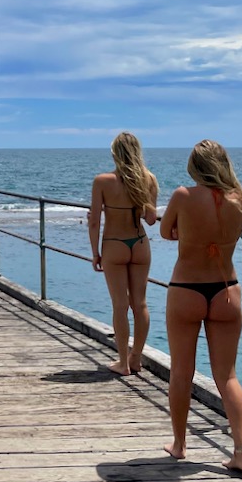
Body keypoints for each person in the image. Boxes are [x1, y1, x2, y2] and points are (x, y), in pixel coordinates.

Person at [160, 139, 242, 472]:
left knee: (181, 372)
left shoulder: (182, 196)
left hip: (186, 288)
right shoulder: (239, 199)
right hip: (226, 292)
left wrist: (186, 233)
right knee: (227, 376)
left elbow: (164, 231)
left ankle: (179, 444)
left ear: (195, 166)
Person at [88, 132, 159, 376]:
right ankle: (136, 358)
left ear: (115, 154)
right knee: (140, 304)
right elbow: (151, 220)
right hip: (139, 243)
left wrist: (95, 252)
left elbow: (95, 222)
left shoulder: (102, 181)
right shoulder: (149, 179)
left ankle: (122, 363)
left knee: (120, 305)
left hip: (114, 244)